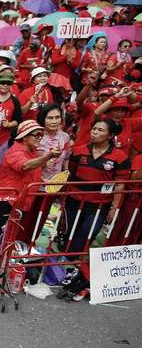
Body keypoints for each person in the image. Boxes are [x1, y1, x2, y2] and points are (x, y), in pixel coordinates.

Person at [59, 118, 130, 301]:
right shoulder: (79, 150)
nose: (94, 132)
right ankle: (71, 270)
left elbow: (120, 184)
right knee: (69, 234)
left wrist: (114, 207)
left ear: (110, 135)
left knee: (86, 235)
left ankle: (79, 272)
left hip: (98, 204)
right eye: (94, 129)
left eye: (100, 130)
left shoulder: (120, 157)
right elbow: (70, 172)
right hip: (74, 200)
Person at [0, 120, 63, 246]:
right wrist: (48, 156)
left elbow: (32, 173)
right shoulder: (16, 151)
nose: (40, 138)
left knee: (10, 235)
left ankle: (0, 261)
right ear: (25, 136)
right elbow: (25, 166)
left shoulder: (32, 152)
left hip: (22, 202)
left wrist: (45, 181)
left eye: (41, 135)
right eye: (36, 135)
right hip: (7, 201)